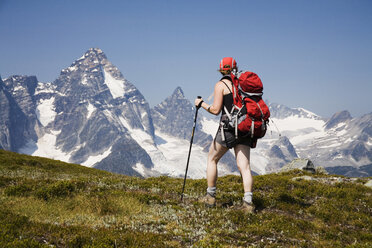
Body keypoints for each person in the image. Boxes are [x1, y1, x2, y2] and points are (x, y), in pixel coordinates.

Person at [194, 57, 254, 213]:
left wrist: (201, 104)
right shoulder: (243, 84)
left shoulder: (221, 85)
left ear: (221, 70)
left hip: (228, 129)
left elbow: (215, 110)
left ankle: (210, 196)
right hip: (245, 127)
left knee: (212, 158)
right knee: (245, 166)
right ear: (235, 68)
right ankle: (248, 203)